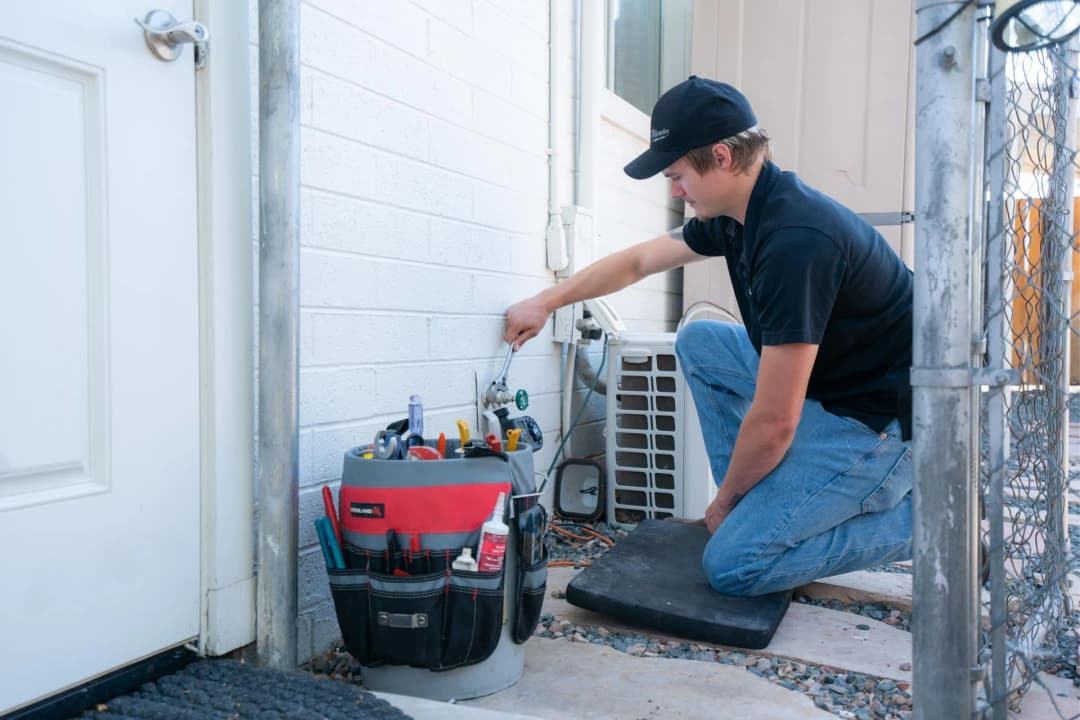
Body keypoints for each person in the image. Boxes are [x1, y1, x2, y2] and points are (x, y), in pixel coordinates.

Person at [503, 76, 914, 597]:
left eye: (677, 176)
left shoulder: (796, 242)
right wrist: (546, 301)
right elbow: (638, 261)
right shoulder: (739, 214)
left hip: (880, 422)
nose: (675, 191)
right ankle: (752, 503)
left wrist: (721, 504)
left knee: (735, 566)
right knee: (700, 342)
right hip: (833, 385)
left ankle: (927, 525)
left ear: (721, 156)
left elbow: (775, 420)